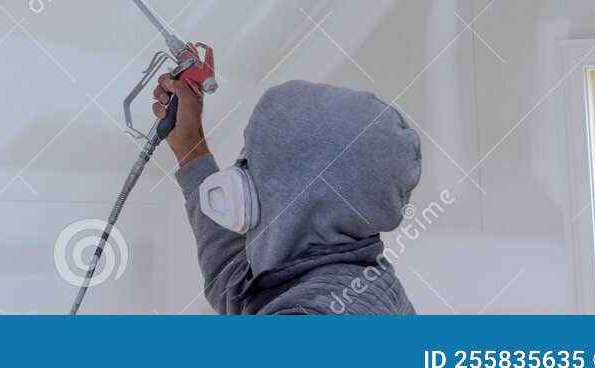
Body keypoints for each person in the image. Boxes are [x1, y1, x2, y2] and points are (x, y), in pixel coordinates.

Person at [153, 73, 422, 314]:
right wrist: (189, 145)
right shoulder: (348, 279)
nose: (239, 174)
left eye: (252, 161)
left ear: (296, 193)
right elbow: (241, 292)